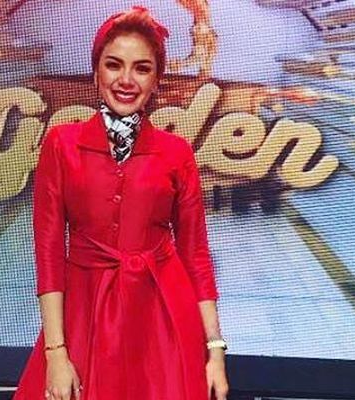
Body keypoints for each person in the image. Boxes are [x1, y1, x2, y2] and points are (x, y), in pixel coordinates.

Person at [13, 6, 228, 400]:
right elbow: (48, 256)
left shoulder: (176, 152)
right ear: (96, 72)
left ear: (156, 80)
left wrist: (214, 350)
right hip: (84, 316)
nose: (126, 80)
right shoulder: (61, 144)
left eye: (141, 69)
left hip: (163, 319)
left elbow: (196, 255)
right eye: (114, 65)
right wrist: (56, 353)